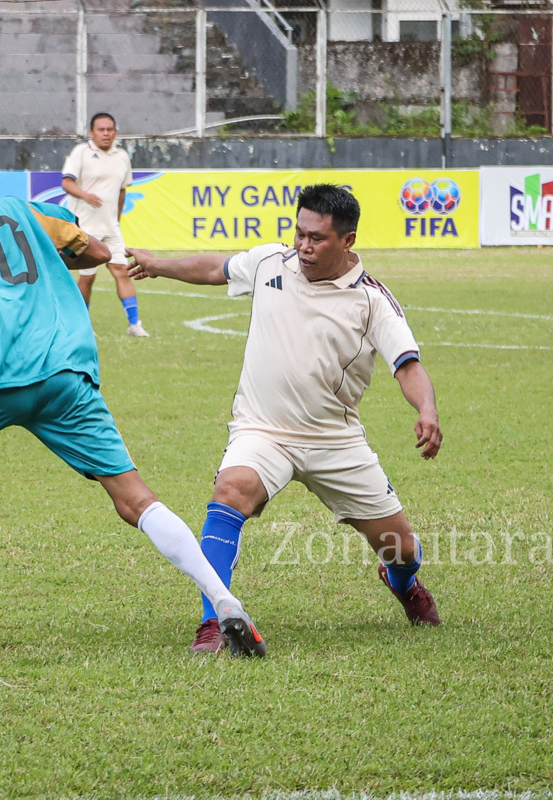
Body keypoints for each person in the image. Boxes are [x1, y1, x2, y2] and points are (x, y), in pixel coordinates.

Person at [0, 154, 265, 657]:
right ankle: (225, 600)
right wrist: (49, 257)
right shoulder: (28, 211)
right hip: (69, 373)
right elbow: (99, 251)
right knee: (135, 499)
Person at [126, 184, 443, 654]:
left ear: (347, 240)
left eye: (317, 238)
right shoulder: (271, 262)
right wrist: (158, 265)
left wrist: (427, 410)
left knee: (401, 548)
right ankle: (215, 620)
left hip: (335, 440)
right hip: (262, 430)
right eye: (299, 233)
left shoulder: (372, 299)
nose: (304, 246)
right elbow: (216, 268)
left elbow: (407, 365)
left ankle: (403, 583)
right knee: (230, 492)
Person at [61, 112, 148, 338]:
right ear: (92, 132)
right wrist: (85, 195)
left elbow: (122, 190)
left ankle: (135, 324)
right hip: (85, 227)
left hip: (111, 228)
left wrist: (116, 219)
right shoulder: (81, 152)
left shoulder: (122, 156)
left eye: (110, 129)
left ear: (115, 132)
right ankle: (82, 325)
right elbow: (66, 182)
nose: (106, 134)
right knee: (88, 277)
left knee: (122, 271)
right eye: (101, 130)